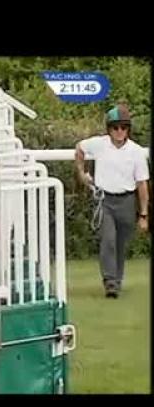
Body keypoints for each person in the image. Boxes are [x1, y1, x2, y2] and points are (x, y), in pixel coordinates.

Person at [75, 102, 150, 298]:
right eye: (115, 127)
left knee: (120, 244)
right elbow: (80, 148)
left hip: (126, 201)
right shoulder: (99, 144)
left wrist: (143, 214)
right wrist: (81, 173)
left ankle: (117, 279)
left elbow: (142, 184)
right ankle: (110, 282)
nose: (119, 131)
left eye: (123, 127)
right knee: (108, 240)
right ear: (109, 129)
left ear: (128, 129)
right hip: (105, 200)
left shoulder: (136, 152)